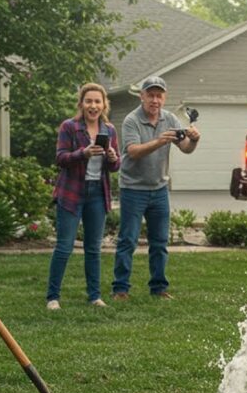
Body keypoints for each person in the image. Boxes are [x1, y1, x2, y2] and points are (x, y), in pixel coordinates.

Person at [112, 76, 200, 301]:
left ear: (164, 98)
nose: (155, 100)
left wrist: (194, 139)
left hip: (159, 188)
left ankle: (159, 288)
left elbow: (186, 148)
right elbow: (133, 152)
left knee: (160, 241)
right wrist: (160, 141)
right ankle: (120, 289)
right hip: (133, 188)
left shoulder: (170, 118)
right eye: (150, 95)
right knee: (128, 240)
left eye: (159, 95)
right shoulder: (132, 120)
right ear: (142, 96)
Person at [47, 83, 120, 309]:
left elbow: (116, 166)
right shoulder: (69, 127)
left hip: (97, 194)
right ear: (81, 104)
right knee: (64, 246)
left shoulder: (109, 130)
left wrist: (111, 156)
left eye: (97, 101)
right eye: (89, 101)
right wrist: (84, 153)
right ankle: (53, 297)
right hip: (72, 192)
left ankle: (94, 296)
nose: (93, 105)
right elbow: (60, 158)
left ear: (103, 104)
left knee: (93, 248)